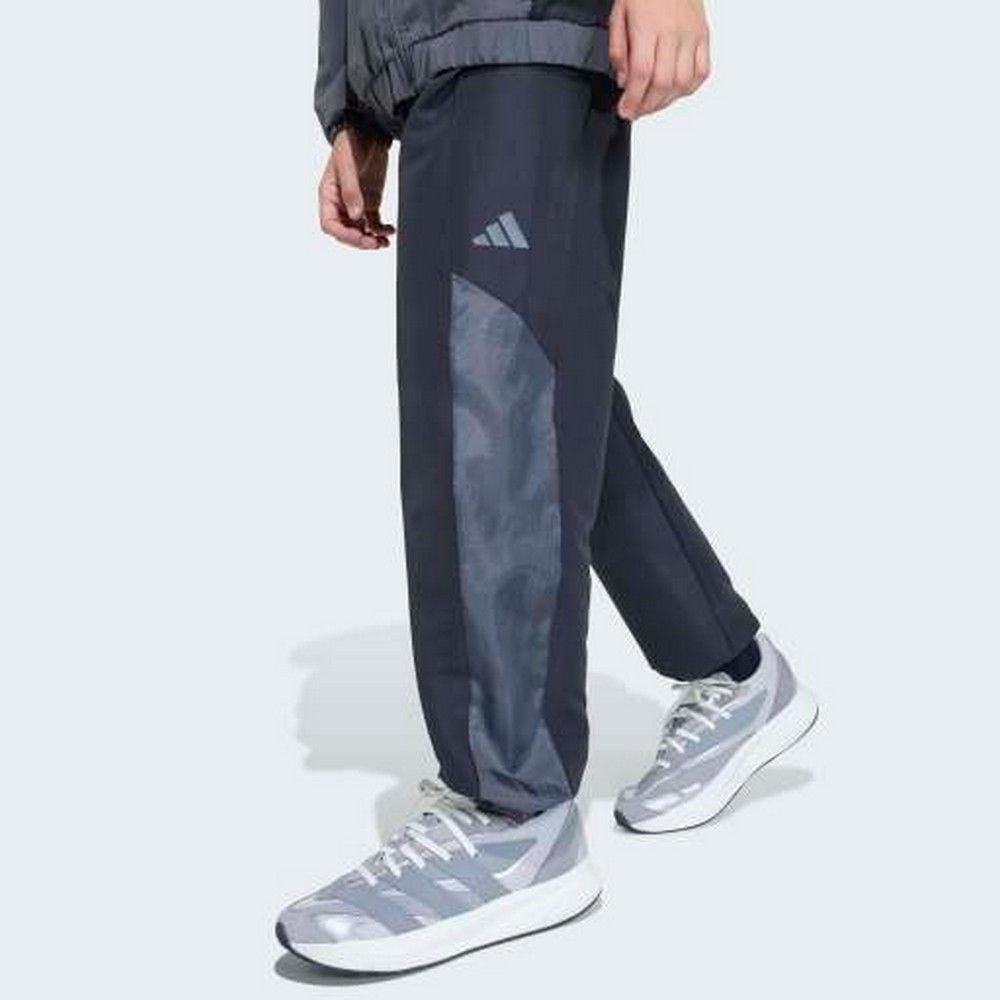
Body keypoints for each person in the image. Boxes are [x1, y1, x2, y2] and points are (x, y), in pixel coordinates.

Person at [277, 0, 818, 974]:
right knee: (534, 378)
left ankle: (511, 812)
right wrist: (355, 104)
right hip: (435, 47)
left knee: (488, 386)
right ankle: (733, 668)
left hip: (514, 26)